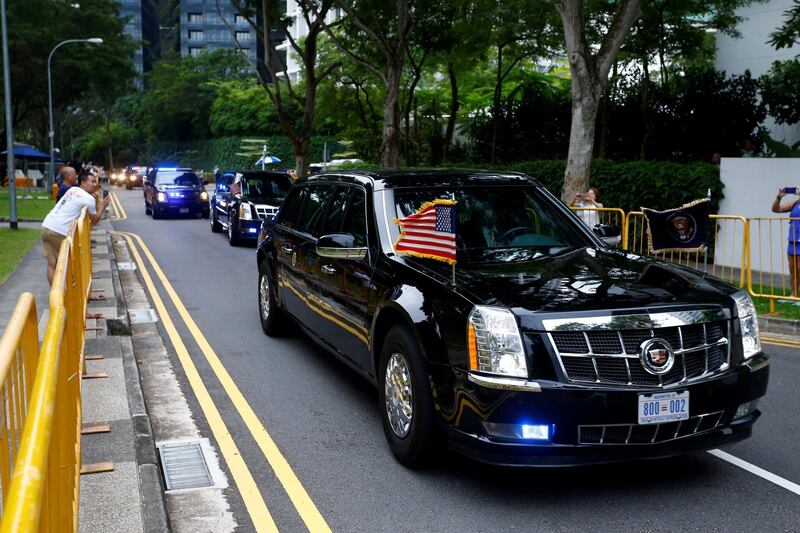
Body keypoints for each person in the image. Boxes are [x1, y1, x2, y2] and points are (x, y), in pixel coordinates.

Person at [41, 171, 110, 284]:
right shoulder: (89, 199)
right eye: (92, 181)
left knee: (52, 264)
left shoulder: (72, 190)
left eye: (95, 182)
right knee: (69, 265)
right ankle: (68, 297)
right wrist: (102, 206)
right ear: (82, 183)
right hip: (60, 231)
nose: (95, 184)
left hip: (46, 226)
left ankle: (56, 299)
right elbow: (95, 220)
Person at [772, 187, 800, 297]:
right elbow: (775, 209)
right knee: (793, 269)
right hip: (792, 240)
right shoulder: (795, 203)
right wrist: (779, 197)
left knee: (799, 269)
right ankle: (794, 294)